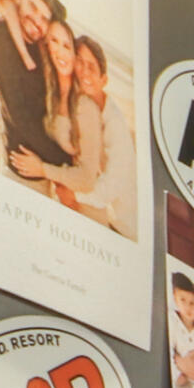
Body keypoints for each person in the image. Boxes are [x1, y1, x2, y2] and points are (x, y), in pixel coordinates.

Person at [42, 27, 131, 237]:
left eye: (91, 66)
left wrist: (73, 195)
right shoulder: (82, 105)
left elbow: (110, 186)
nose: (83, 71)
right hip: (110, 216)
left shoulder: (115, 125)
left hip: (128, 226)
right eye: (79, 62)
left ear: (104, 80)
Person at [0, 0, 75, 191]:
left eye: (45, 18)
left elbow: (60, 13)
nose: (38, 21)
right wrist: (63, 162)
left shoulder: (39, 42)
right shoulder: (1, 35)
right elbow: (20, 114)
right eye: (32, 7)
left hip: (43, 168)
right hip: (20, 170)